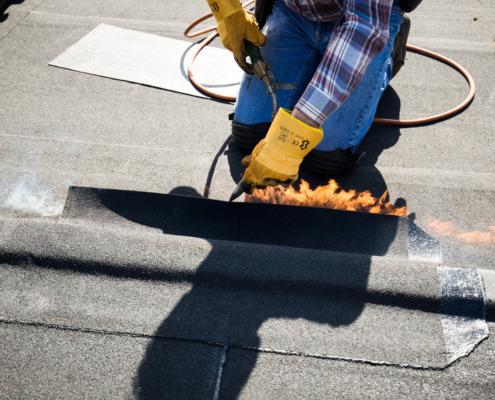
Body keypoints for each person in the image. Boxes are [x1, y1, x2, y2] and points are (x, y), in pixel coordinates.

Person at [207, 0, 417, 192]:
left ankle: (384, 61)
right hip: (294, 11)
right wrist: (228, 13)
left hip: (363, 23)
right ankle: (322, 66)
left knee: (326, 157)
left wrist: (291, 138)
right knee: (250, 134)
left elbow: (363, 28)